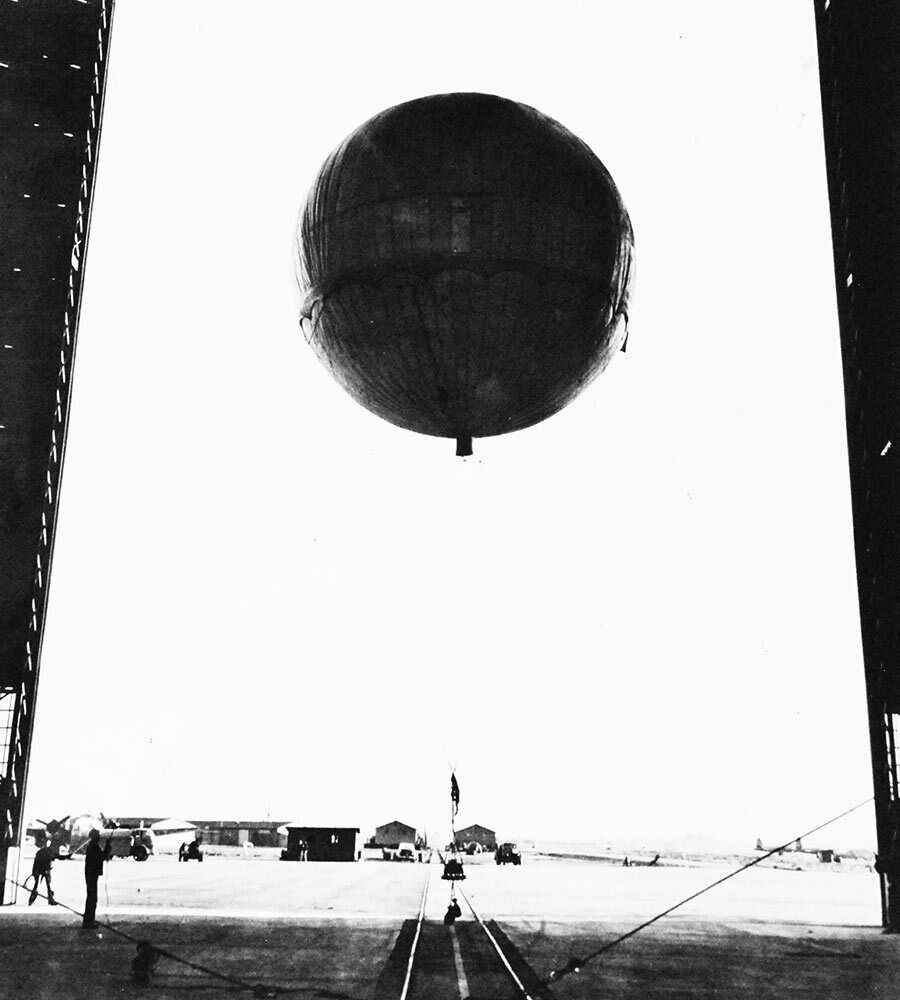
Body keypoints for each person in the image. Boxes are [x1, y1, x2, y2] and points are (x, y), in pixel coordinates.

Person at [83, 829, 111, 928]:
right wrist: (108, 848)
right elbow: (101, 857)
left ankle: (88, 920)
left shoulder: (91, 846)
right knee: (92, 898)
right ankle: (89, 922)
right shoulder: (94, 847)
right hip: (92, 875)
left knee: (91, 897)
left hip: (90, 874)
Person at [29, 837, 57, 906]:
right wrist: (35, 871)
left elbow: (54, 858)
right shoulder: (41, 852)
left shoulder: (42, 852)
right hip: (41, 870)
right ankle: (32, 899)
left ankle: (50, 899)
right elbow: (36, 863)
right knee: (39, 885)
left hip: (45, 870)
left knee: (48, 885)